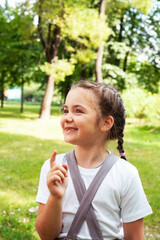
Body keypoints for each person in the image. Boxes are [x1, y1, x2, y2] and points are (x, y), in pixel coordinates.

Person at [35, 81, 152, 240]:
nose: (67, 117)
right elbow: (45, 235)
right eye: (65, 110)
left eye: (78, 111)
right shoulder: (54, 169)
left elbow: (135, 237)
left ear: (105, 123)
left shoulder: (126, 174)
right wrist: (55, 197)